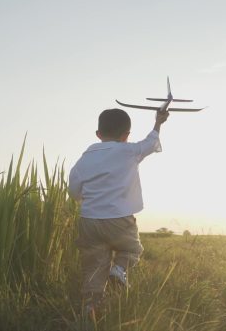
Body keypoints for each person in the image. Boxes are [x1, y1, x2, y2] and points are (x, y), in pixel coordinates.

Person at [68, 108, 169, 315]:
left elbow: (73, 189)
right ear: (126, 135)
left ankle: (91, 308)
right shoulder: (129, 151)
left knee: (94, 265)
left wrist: (85, 200)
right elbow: (150, 142)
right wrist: (158, 122)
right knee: (132, 250)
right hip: (120, 220)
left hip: (90, 221)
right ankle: (119, 270)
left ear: (98, 134)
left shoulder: (84, 158)